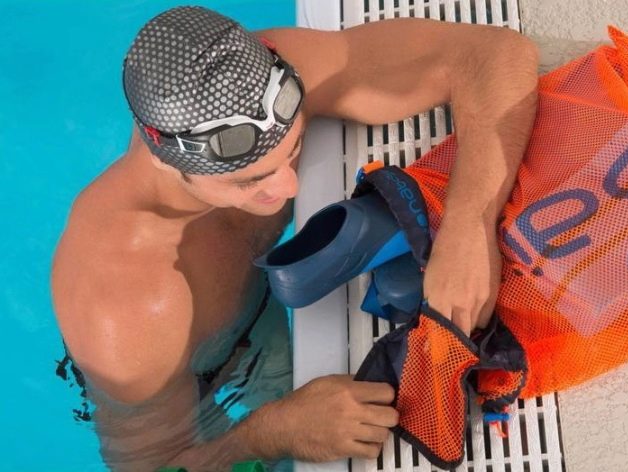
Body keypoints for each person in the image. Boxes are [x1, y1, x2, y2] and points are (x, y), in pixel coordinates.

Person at [51, 6, 538, 471]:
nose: (289, 187)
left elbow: (493, 54)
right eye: (251, 181)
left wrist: (469, 226)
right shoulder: (126, 307)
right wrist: (271, 433)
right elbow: (156, 466)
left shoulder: (262, 79)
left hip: (257, 312)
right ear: (166, 162)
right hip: (208, 385)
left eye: (294, 149)